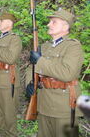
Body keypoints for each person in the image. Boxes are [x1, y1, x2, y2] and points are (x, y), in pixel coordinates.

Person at [28, 9, 84, 137]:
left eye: (54, 22)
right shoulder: (45, 46)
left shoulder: (73, 46)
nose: (49, 25)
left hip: (63, 106)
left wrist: (40, 60)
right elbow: (30, 67)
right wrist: (30, 83)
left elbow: (67, 73)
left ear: (65, 26)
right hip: (44, 104)